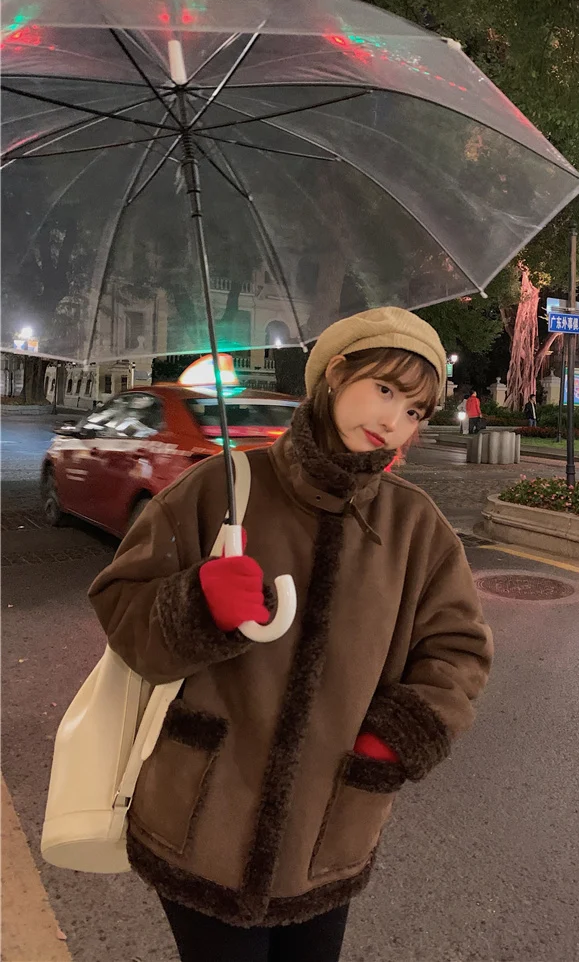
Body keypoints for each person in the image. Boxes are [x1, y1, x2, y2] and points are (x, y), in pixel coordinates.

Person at [88, 307, 493, 962]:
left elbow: (459, 650)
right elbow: (120, 604)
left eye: (416, 410)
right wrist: (196, 604)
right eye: (384, 389)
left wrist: (395, 739)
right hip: (201, 820)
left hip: (328, 830)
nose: (394, 420)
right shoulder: (221, 487)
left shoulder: (416, 527)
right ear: (336, 374)